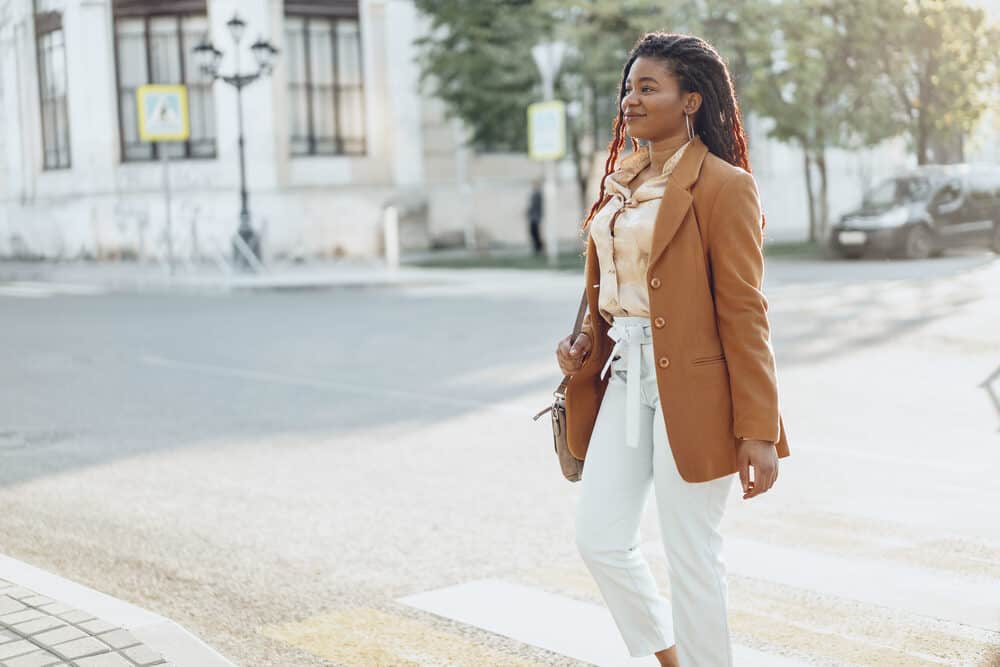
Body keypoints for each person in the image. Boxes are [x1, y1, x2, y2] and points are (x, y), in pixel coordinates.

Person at [553, 32, 791, 667]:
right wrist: (585, 340)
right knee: (600, 538)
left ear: (690, 100)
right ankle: (670, 657)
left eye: (647, 88)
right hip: (625, 375)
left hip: (697, 386)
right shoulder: (622, 181)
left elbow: (744, 311)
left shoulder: (723, 186)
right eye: (628, 87)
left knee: (691, 553)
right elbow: (613, 284)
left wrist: (759, 429)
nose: (630, 99)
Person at [526, 178, 545, 255]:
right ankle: (537, 247)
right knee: (533, 232)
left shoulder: (538, 194)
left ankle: (539, 247)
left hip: (535, 217)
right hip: (533, 216)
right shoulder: (535, 194)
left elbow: (535, 206)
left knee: (535, 232)